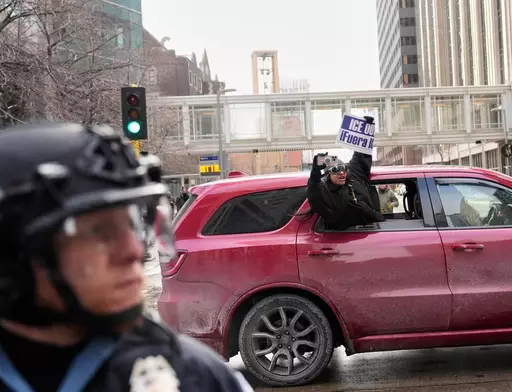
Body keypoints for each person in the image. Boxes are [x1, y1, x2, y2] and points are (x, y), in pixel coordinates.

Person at [0, 123, 253, 392]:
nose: (133, 251)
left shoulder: (195, 378)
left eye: (132, 223)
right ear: (13, 255)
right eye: (100, 233)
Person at [306, 116, 385, 230]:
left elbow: (360, 157)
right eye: (335, 170)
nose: (341, 173)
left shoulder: (354, 177)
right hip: (346, 239)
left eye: (343, 168)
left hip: (373, 231)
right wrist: (315, 174)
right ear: (328, 175)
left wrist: (365, 131)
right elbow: (315, 193)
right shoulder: (326, 193)